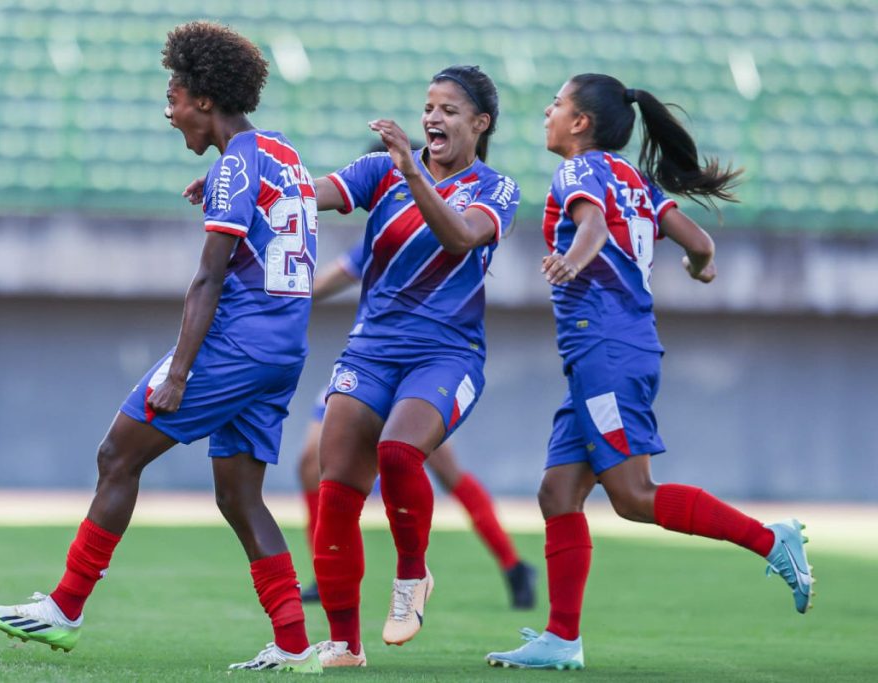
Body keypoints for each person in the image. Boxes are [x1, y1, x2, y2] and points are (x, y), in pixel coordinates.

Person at [0, 22, 323, 674]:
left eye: (172, 96)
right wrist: (223, 183)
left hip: (235, 347)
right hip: (283, 350)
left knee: (117, 452)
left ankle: (67, 605)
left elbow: (208, 276)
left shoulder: (236, 165)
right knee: (240, 496)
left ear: (201, 96)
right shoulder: (282, 154)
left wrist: (181, 371)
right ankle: (292, 642)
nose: (168, 112)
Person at [486, 73, 814, 671]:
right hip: (613, 351)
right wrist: (697, 266)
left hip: (605, 350)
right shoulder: (633, 179)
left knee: (633, 497)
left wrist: (571, 261)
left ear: (580, 123)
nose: (547, 112)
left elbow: (592, 227)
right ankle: (562, 639)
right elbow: (700, 240)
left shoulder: (580, 170)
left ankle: (771, 540)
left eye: (556, 104)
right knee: (558, 492)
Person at [306, 65, 521, 668]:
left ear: (480, 124)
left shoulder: (496, 188)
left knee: (399, 454)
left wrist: (409, 170)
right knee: (336, 489)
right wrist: (247, 184)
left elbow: (459, 238)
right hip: (371, 350)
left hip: (447, 355)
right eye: (429, 107)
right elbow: (313, 191)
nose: (433, 118)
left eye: (449, 110)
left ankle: (412, 578)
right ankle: (345, 645)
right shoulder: (382, 171)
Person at [297, 244, 537, 612]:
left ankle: (513, 565)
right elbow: (340, 273)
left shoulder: (445, 231)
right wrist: (283, 298)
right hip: (369, 361)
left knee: (443, 470)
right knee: (308, 464)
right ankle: (324, 568)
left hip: (420, 367)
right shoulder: (386, 227)